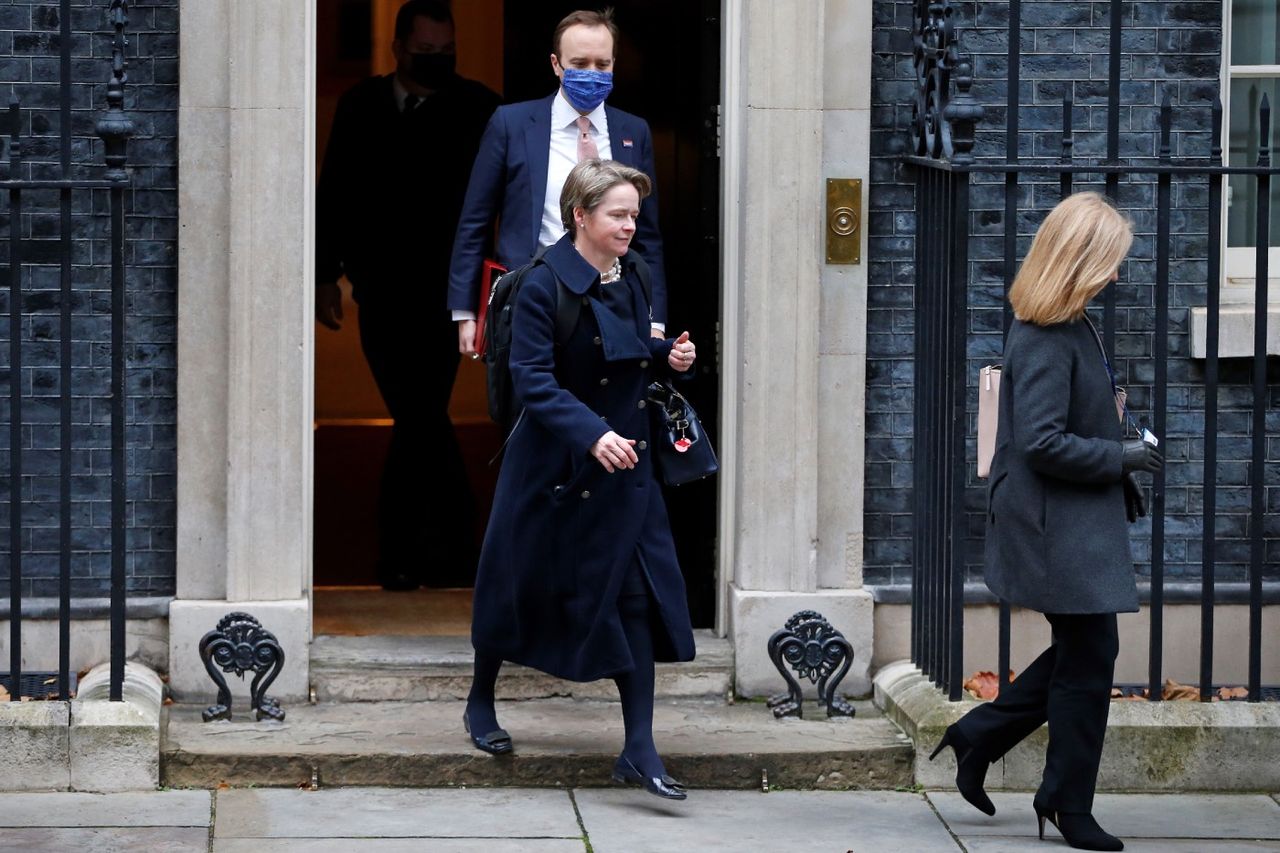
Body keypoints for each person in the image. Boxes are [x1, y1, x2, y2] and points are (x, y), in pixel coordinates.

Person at [930, 192, 1162, 852]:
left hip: (1075, 519)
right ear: (1081, 261)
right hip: (1054, 525)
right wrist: (1126, 455)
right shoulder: (1042, 337)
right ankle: (1064, 802)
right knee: (1090, 660)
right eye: (1111, 261)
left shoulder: (1070, 323)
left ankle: (981, 736)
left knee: (1084, 655)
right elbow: (1042, 442)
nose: (1118, 274)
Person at [462, 159, 698, 801]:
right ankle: (481, 701)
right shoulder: (539, 285)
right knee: (517, 585)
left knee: (635, 597)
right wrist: (590, 433)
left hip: (625, 462)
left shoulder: (636, 274)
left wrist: (667, 356)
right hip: (555, 463)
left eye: (633, 214)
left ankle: (638, 747)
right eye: (618, 214)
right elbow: (533, 380)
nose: (630, 225)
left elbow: (622, 349)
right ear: (581, 217)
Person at [315, 1, 501, 590]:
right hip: (381, 290)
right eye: (426, 53)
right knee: (419, 415)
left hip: (450, 295)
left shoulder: (479, 109)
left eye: (447, 53)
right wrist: (325, 274)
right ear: (398, 48)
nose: (438, 62)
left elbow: (509, 199)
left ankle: (410, 554)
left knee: (419, 415)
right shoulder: (361, 105)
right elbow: (336, 189)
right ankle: (450, 553)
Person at [447, 8, 668, 357]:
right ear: (556, 64)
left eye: (602, 64)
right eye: (579, 64)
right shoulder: (512, 124)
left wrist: (655, 318)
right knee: (530, 402)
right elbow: (475, 221)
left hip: (615, 303)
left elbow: (648, 235)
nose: (592, 74)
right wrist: (465, 312)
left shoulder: (633, 131)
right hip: (532, 298)